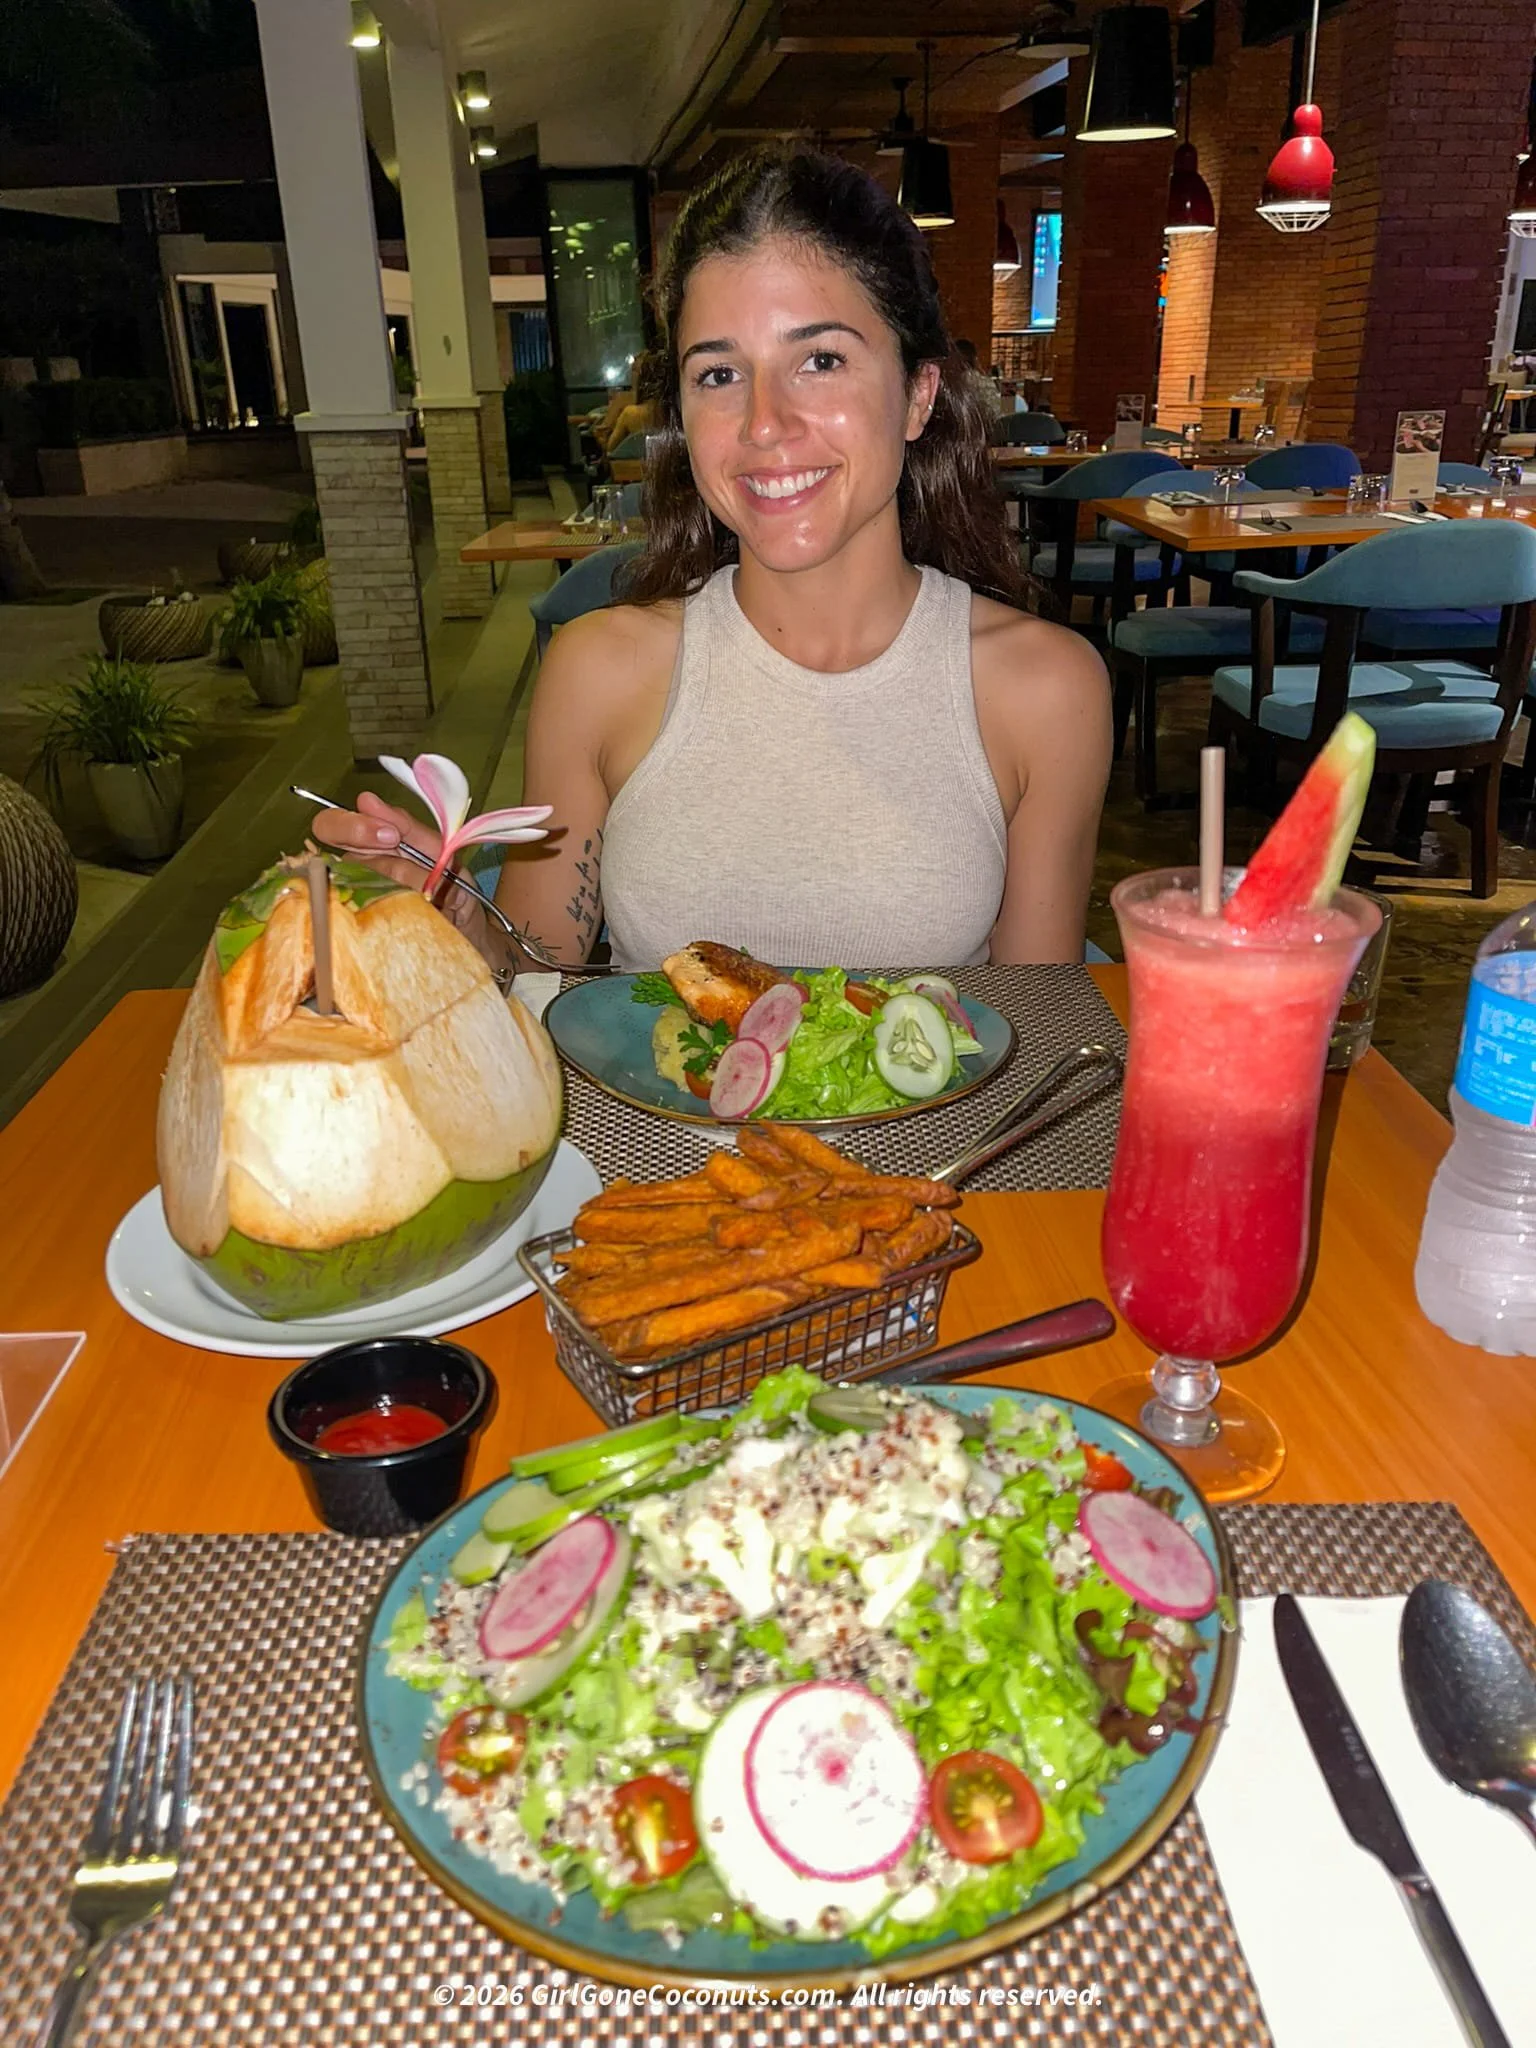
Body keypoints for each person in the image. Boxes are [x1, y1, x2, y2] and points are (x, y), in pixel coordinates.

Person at [316, 148, 1110, 970]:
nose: (765, 423)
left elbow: (1039, 1039)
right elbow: (536, 975)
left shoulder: (1047, 691)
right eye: (720, 373)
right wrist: (450, 915)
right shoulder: (596, 672)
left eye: (822, 360)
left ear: (918, 394)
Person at [601, 349, 663, 453]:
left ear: (641, 378)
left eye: (634, 370)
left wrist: (601, 439)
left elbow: (610, 449)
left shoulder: (629, 413)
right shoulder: (674, 412)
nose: (631, 375)